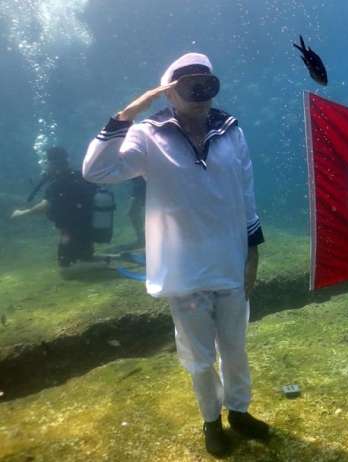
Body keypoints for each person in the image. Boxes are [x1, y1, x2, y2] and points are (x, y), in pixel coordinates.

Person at [81, 52, 267, 457]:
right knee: (199, 356)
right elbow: (96, 171)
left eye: (207, 84)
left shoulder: (231, 130)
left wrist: (253, 254)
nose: (200, 94)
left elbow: (247, 193)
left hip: (231, 263)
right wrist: (130, 111)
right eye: (188, 86)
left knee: (235, 347)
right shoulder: (148, 134)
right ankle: (211, 421)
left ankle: (239, 411)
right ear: (169, 91)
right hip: (183, 270)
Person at [10, 147, 102, 275]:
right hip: (90, 226)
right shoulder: (80, 175)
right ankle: (106, 260)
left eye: (46, 164)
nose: (45, 167)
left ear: (52, 164)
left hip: (70, 232)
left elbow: (44, 206)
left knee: (65, 268)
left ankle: (101, 264)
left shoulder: (56, 184)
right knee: (85, 257)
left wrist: (22, 214)